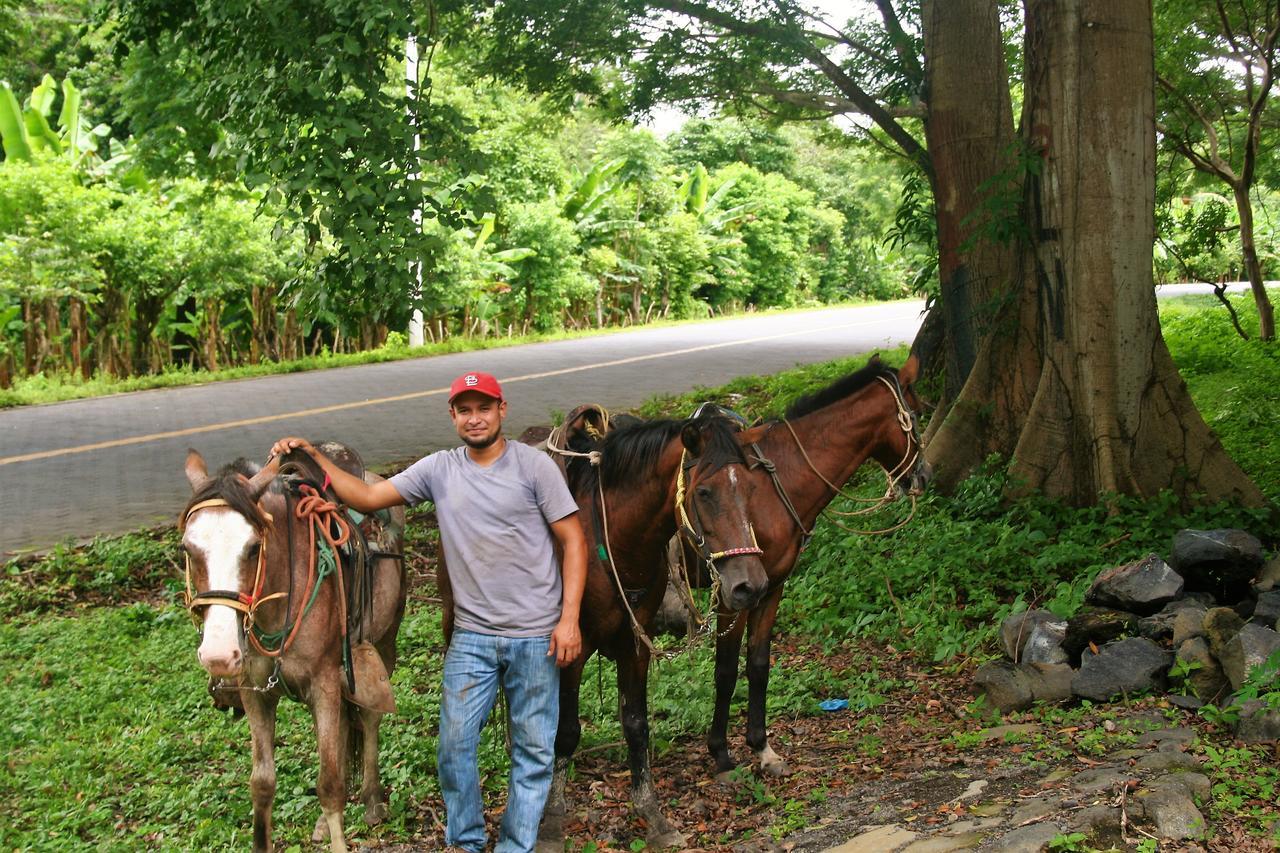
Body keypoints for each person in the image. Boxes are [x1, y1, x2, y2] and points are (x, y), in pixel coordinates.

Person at [270, 370, 586, 853]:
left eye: (484, 408)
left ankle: (516, 846)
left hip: (535, 634)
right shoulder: (440, 469)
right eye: (465, 410)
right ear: (453, 416)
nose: (475, 418)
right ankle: (465, 841)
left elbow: (573, 540)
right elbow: (370, 497)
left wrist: (568, 620)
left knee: (534, 753)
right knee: (454, 749)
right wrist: (313, 457)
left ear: (502, 410)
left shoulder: (534, 468)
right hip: (473, 638)